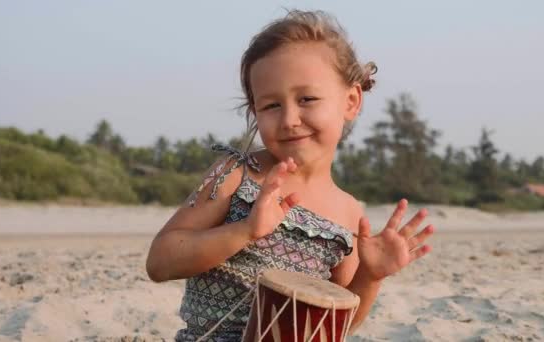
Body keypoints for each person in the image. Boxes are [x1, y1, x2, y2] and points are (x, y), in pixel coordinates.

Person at [146, 9, 435, 341]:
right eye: (271, 106)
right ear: (254, 111)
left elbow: (333, 325)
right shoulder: (238, 175)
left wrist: (370, 277)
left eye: (307, 99)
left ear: (351, 101)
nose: (289, 119)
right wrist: (245, 231)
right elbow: (160, 262)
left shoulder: (348, 212)